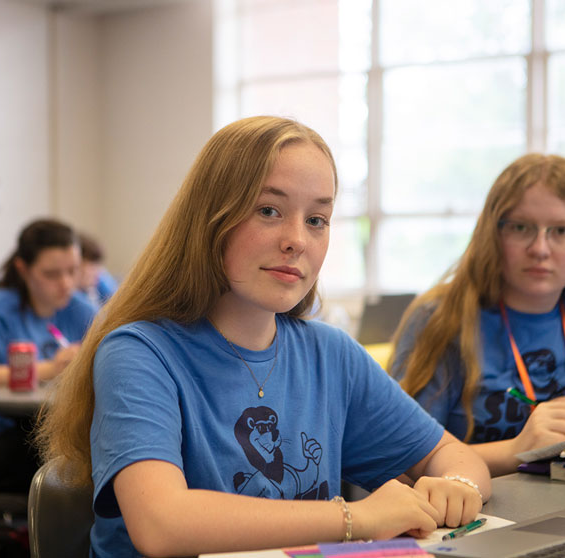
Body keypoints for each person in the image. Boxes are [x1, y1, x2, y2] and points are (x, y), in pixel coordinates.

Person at [36, 116, 491, 557]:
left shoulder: (329, 354)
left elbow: (453, 455)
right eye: (268, 210)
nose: (297, 240)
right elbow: (160, 524)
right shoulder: (139, 353)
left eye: (317, 219)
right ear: (210, 221)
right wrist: (356, 519)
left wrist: (457, 486)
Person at [390, 153, 565, 477]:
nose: (540, 248)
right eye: (521, 227)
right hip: (475, 516)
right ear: (493, 236)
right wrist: (517, 449)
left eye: (562, 231)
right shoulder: (440, 318)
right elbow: (398, 461)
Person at [0, 218, 96, 493]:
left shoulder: (81, 310)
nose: (65, 283)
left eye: (73, 271)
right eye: (51, 274)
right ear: (23, 270)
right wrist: (51, 368)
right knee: (75, 458)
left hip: (46, 430)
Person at [77, 231, 118, 306]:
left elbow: (116, 302)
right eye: (92, 265)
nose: (98, 272)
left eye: (98, 266)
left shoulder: (99, 282)